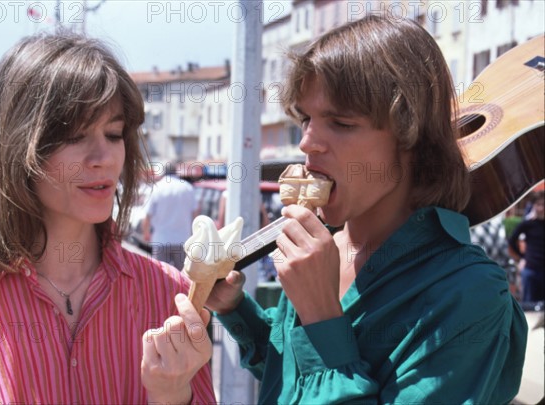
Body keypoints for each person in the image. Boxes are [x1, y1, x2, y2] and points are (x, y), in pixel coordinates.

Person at [206, 15, 528, 404]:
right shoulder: (324, 248)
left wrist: (322, 315)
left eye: (340, 122)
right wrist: (237, 309)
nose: (308, 142)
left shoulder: (470, 296)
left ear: (411, 137)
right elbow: (293, 375)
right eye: (306, 118)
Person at [0, 31, 215, 404]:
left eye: (114, 133)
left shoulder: (169, 295)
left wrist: (171, 395)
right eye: (74, 136)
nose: (103, 157)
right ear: (17, 144)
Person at [141, 163, 198, 268]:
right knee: (183, 276)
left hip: (161, 239)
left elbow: (147, 216)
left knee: (160, 274)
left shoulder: (157, 188)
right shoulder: (188, 188)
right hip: (183, 240)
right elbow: (195, 215)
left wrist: (146, 233)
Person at [508, 190, 545, 304]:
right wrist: (521, 258)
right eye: (539, 204)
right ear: (534, 206)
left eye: (544, 205)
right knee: (529, 306)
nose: (541, 208)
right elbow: (512, 240)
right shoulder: (527, 224)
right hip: (531, 270)